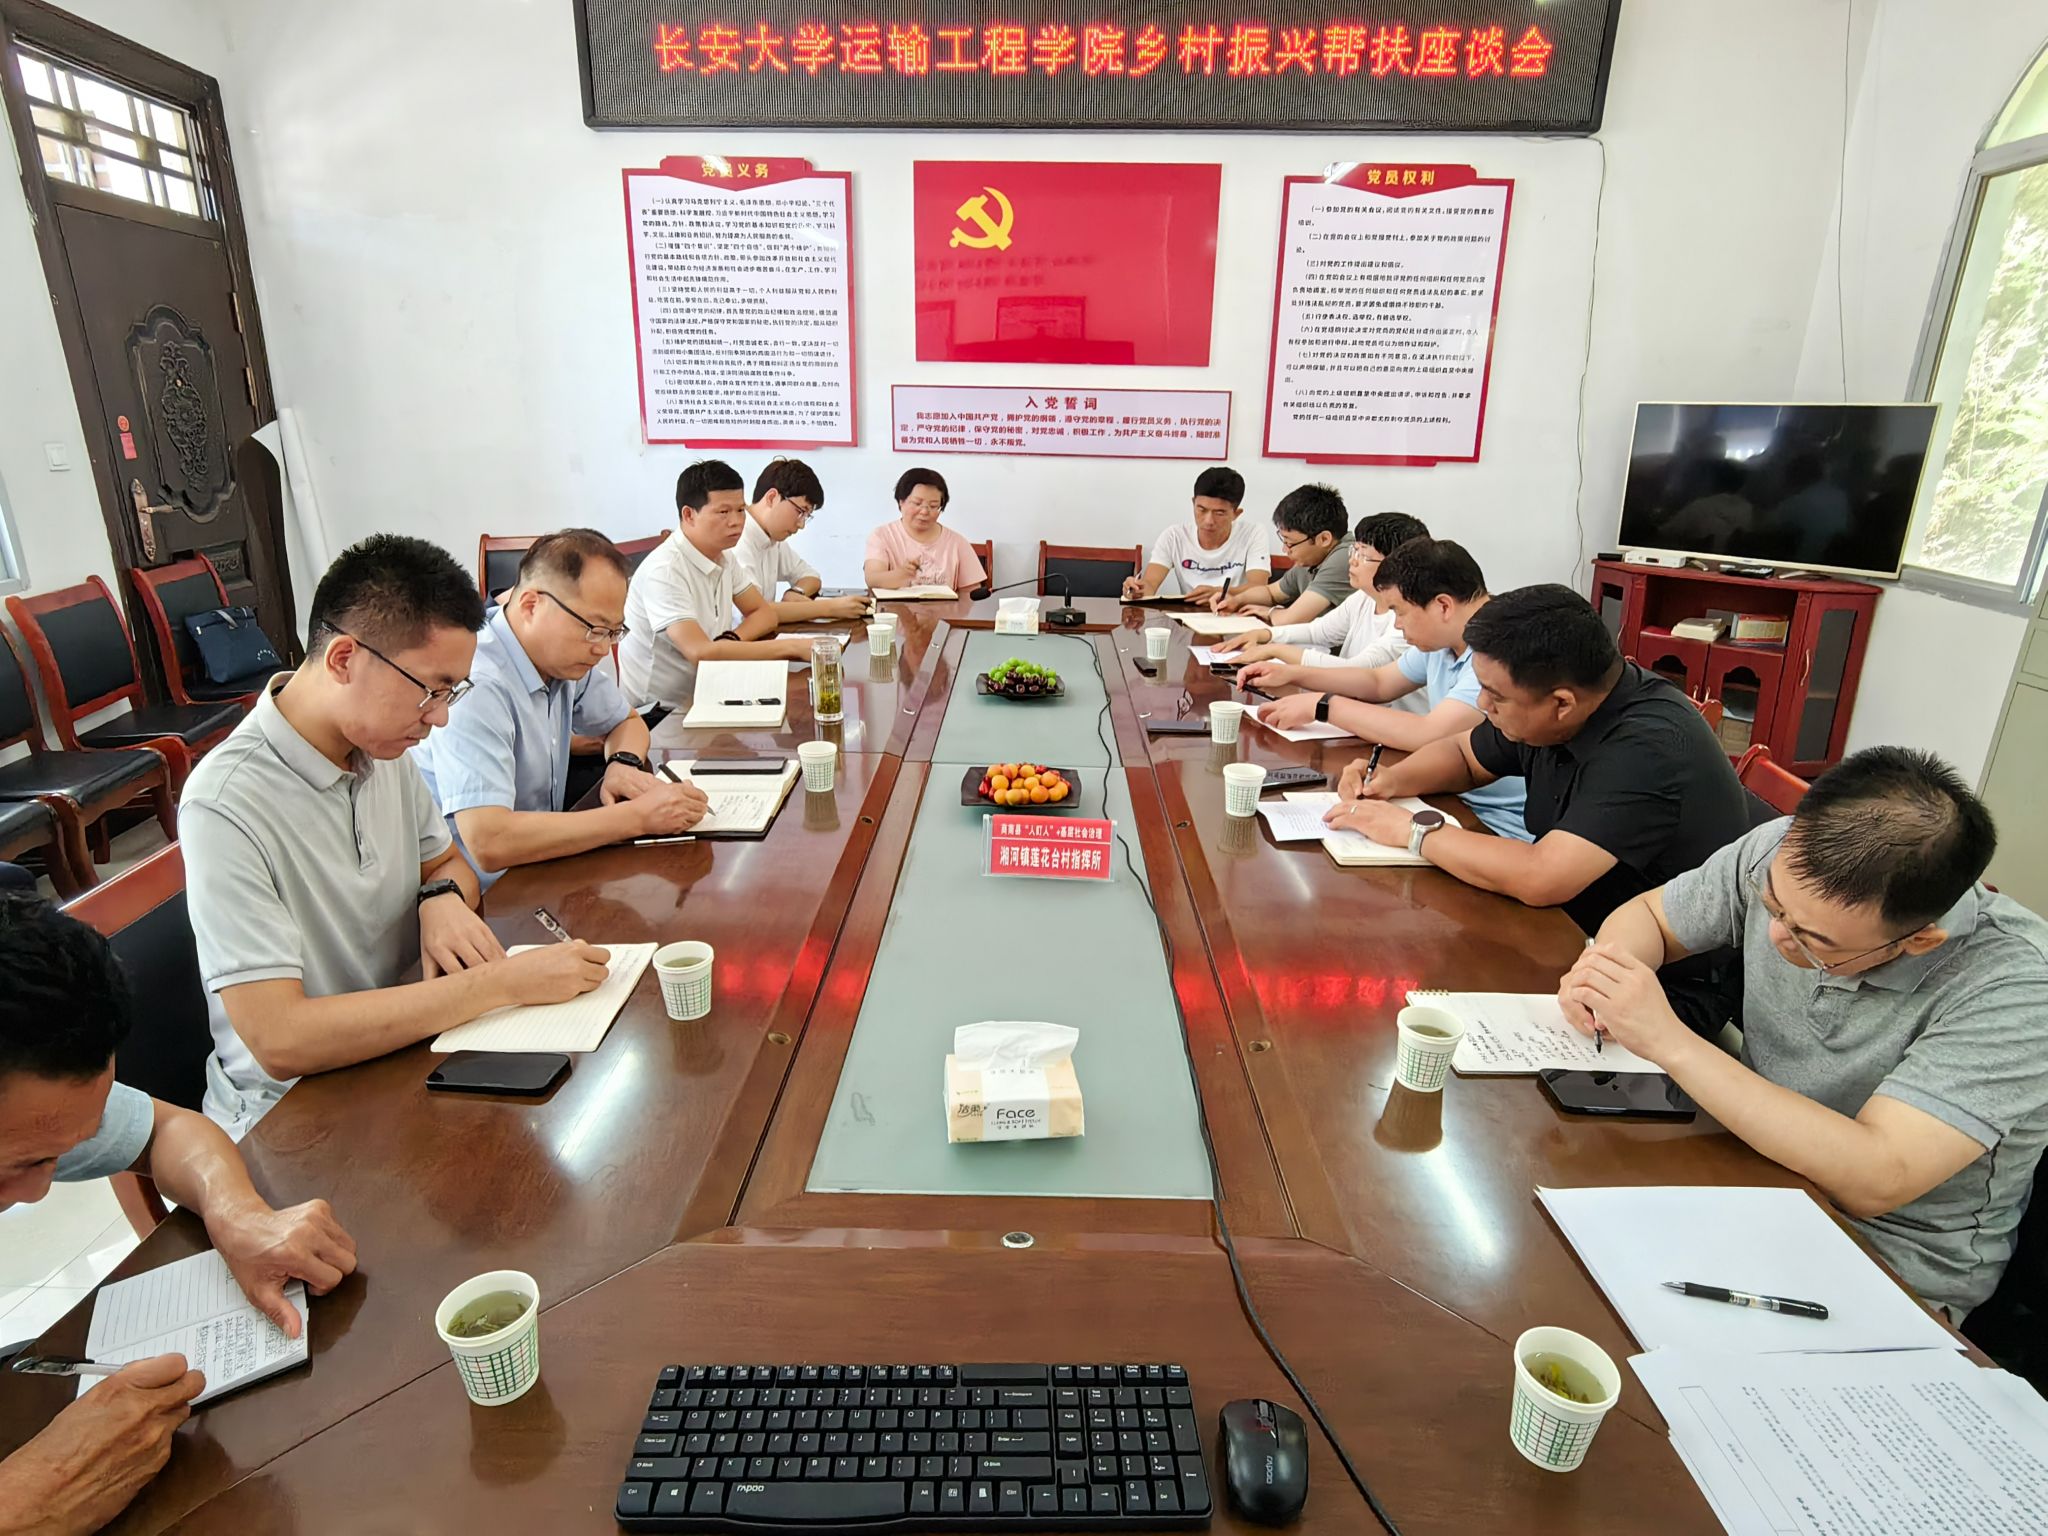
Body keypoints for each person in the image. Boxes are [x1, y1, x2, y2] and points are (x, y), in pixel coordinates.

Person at [1558, 748, 2048, 1319]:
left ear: (1920, 940)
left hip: (1881, 1259)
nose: (1776, 936)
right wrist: (1607, 972)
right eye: (1772, 908)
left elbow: (1877, 1176)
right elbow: (1650, 917)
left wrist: (1668, 1040)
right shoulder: (1786, 854)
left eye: (1813, 941)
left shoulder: (2015, 988)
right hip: (1746, 1166)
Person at [181, 534, 611, 1137]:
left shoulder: (380, 750)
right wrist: (500, 984)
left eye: (452, 692)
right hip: (297, 1111)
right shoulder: (225, 804)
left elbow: (447, 864)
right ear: (343, 660)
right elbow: (281, 1039)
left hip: (409, 1046)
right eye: (432, 689)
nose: (441, 717)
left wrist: (440, 898)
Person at [0, 894, 359, 1534]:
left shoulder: (32, 1097)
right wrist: (31, 1500)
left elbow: (169, 1131)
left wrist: (237, 1214)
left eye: (61, 1154)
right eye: (19, 1163)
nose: (37, 1193)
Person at [1327, 583, 1755, 1035]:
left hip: (1659, 988)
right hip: (1565, 936)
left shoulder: (1649, 747)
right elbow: (1465, 756)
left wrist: (1415, 830)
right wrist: (1391, 780)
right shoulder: (1554, 708)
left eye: (1495, 696)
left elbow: (1542, 877)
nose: (1482, 704)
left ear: (1562, 703)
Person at [411, 530, 708, 888]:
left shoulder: (562, 660)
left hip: (543, 866)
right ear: (531, 605)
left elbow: (627, 722)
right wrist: (638, 817)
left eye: (614, 632)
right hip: (485, 896)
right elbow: (489, 841)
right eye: (594, 629)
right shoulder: (478, 683)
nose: (603, 649)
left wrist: (622, 764)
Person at [1243, 539, 1528, 840]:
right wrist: (1293, 674)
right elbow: (1379, 682)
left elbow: (1430, 733)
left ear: (1443, 606)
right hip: (1446, 793)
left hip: (1496, 822)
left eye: (1399, 612)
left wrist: (1325, 706)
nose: (1398, 625)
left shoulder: (1497, 652)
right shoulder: (1445, 640)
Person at [618, 460, 816, 710]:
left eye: (740, 510)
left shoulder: (724, 557)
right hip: (662, 714)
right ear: (689, 515)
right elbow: (700, 653)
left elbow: (763, 613)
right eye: (723, 512)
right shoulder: (665, 571)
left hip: (712, 690)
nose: (737, 521)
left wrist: (730, 639)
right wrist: (792, 647)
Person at [1211, 511, 1429, 681]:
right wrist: (1265, 635)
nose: (1352, 561)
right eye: (1354, 551)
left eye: (1363, 555)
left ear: (1395, 565)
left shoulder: (1409, 620)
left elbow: (1357, 670)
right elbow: (1319, 632)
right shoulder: (1363, 598)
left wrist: (1274, 649)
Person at [736, 459, 871, 624]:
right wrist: (829, 608)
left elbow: (810, 576)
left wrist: (796, 592)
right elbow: (754, 612)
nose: (801, 525)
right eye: (800, 511)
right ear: (772, 498)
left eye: (807, 516)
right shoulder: (737, 541)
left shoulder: (772, 539)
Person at [1121, 467, 1269, 602]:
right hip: (1189, 616)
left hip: (1236, 614)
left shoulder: (1253, 534)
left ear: (1236, 514)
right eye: (1201, 510)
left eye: (1219, 513)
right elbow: (1150, 584)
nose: (1208, 521)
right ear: (1193, 503)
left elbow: (1258, 587)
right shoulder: (1174, 536)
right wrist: (1136, 589)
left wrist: (1219, 592)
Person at [1212, 484, 1354, 624]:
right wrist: (1236, 600)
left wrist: (1270, 612)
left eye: (1289, 542)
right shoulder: (1311, 560)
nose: (1285, 549)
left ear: (1324, 539)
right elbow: (1271, 593)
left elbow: (1290, 618)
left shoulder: (1347, 557)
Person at [863, 468, 986, 594]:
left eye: (933, 506)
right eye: (917, 503)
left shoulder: (957, 543)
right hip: (895, 607)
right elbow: (872, 580)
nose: (924, 511)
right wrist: (901, 574)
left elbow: (972, 593)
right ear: (901, 502)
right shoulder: (881, 536)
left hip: (944, 607)